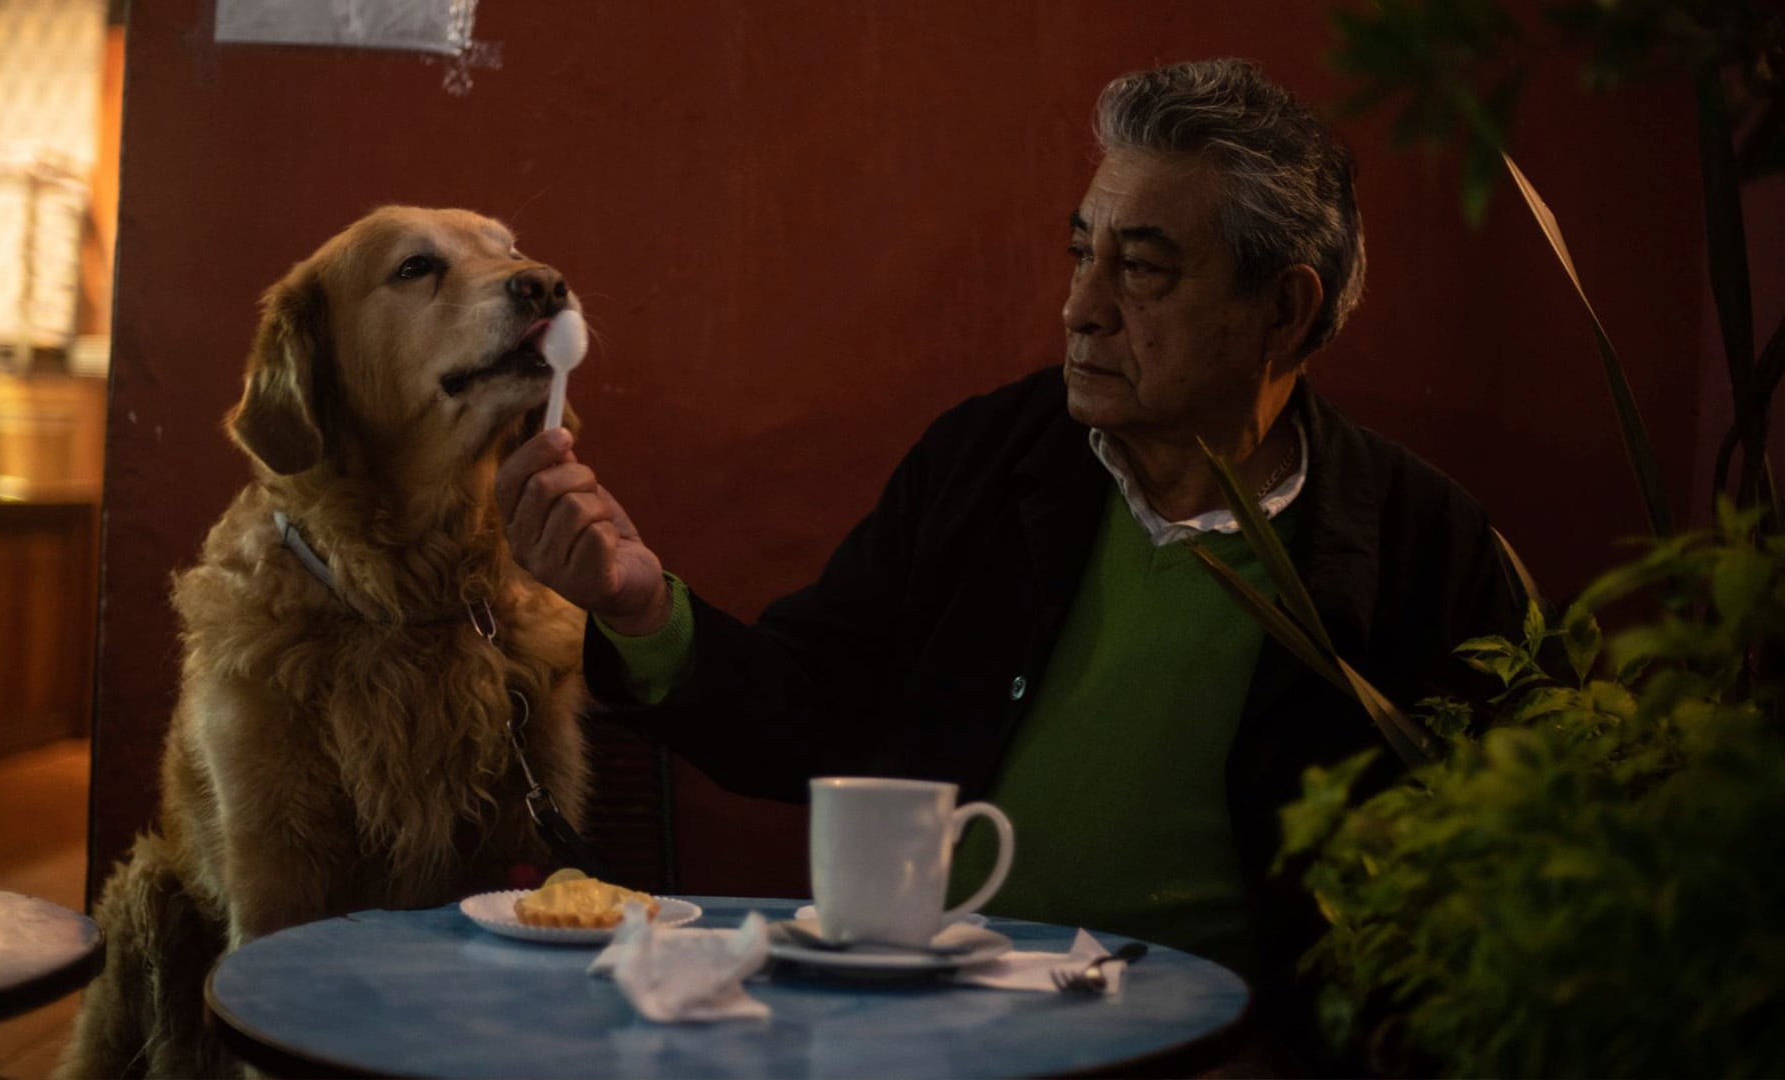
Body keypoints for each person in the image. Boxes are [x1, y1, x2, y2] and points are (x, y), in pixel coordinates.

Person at [496, 57, 1524, 1069]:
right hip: (942, 1035)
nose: (1082, 307)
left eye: (1143, 269)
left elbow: (1496, 894)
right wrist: (640, 609)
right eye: (1082, 254)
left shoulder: (1419, 547)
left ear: (1285, 310)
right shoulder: (990, 463)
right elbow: (809, 708)